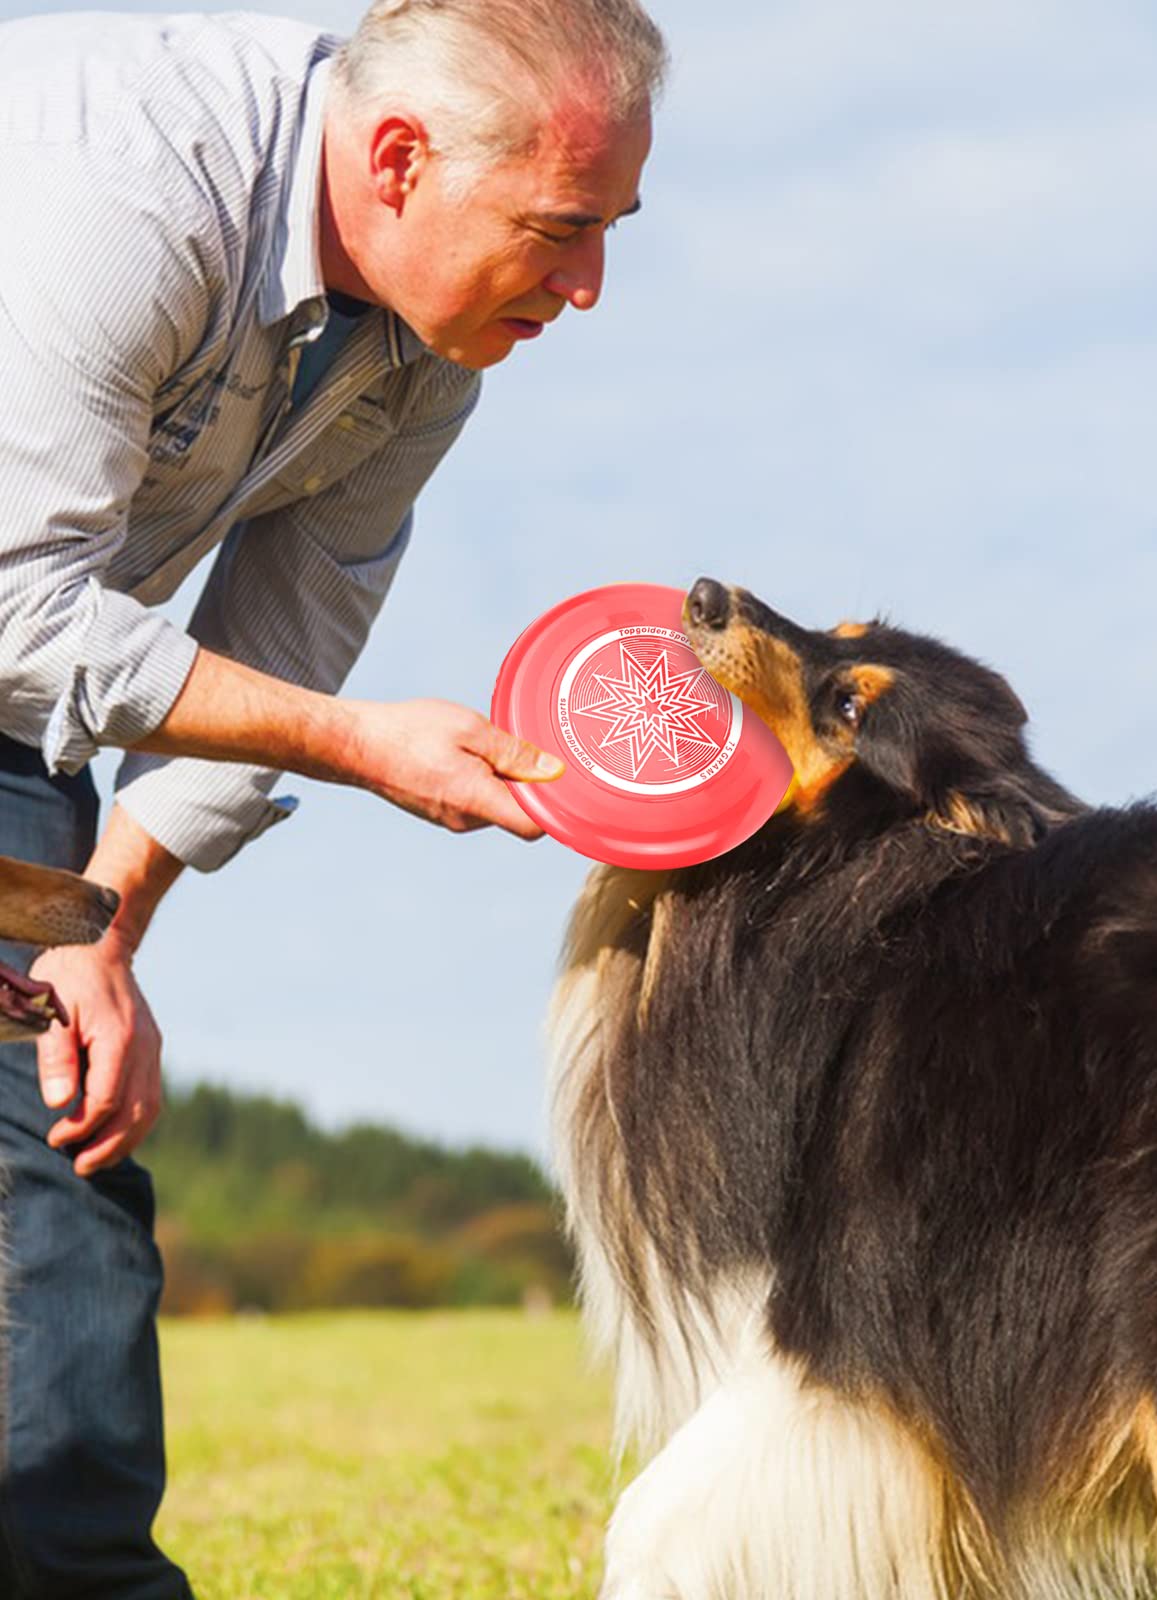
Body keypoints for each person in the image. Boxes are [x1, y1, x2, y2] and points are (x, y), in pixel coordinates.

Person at [0, 0, 664, 1589]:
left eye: (614, 232)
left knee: (53, 1169)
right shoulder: (123, 188)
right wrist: (366, 747)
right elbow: (18, 602)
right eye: (562, 230)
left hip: (29, 698)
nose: (590, 287)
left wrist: (109, 925)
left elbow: (287, 620)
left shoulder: (428, 358)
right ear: (397, 158)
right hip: (19, 618)